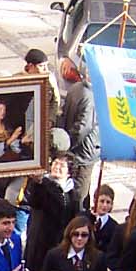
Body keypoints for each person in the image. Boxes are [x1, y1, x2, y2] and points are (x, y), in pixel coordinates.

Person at [58, 55, 100, 196]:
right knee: (79, 191)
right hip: (83, 152)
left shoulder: (75, 87)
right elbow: (83, 128)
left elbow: (63, 114)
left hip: (75, 147)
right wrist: (70, 144)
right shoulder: (91, 97)